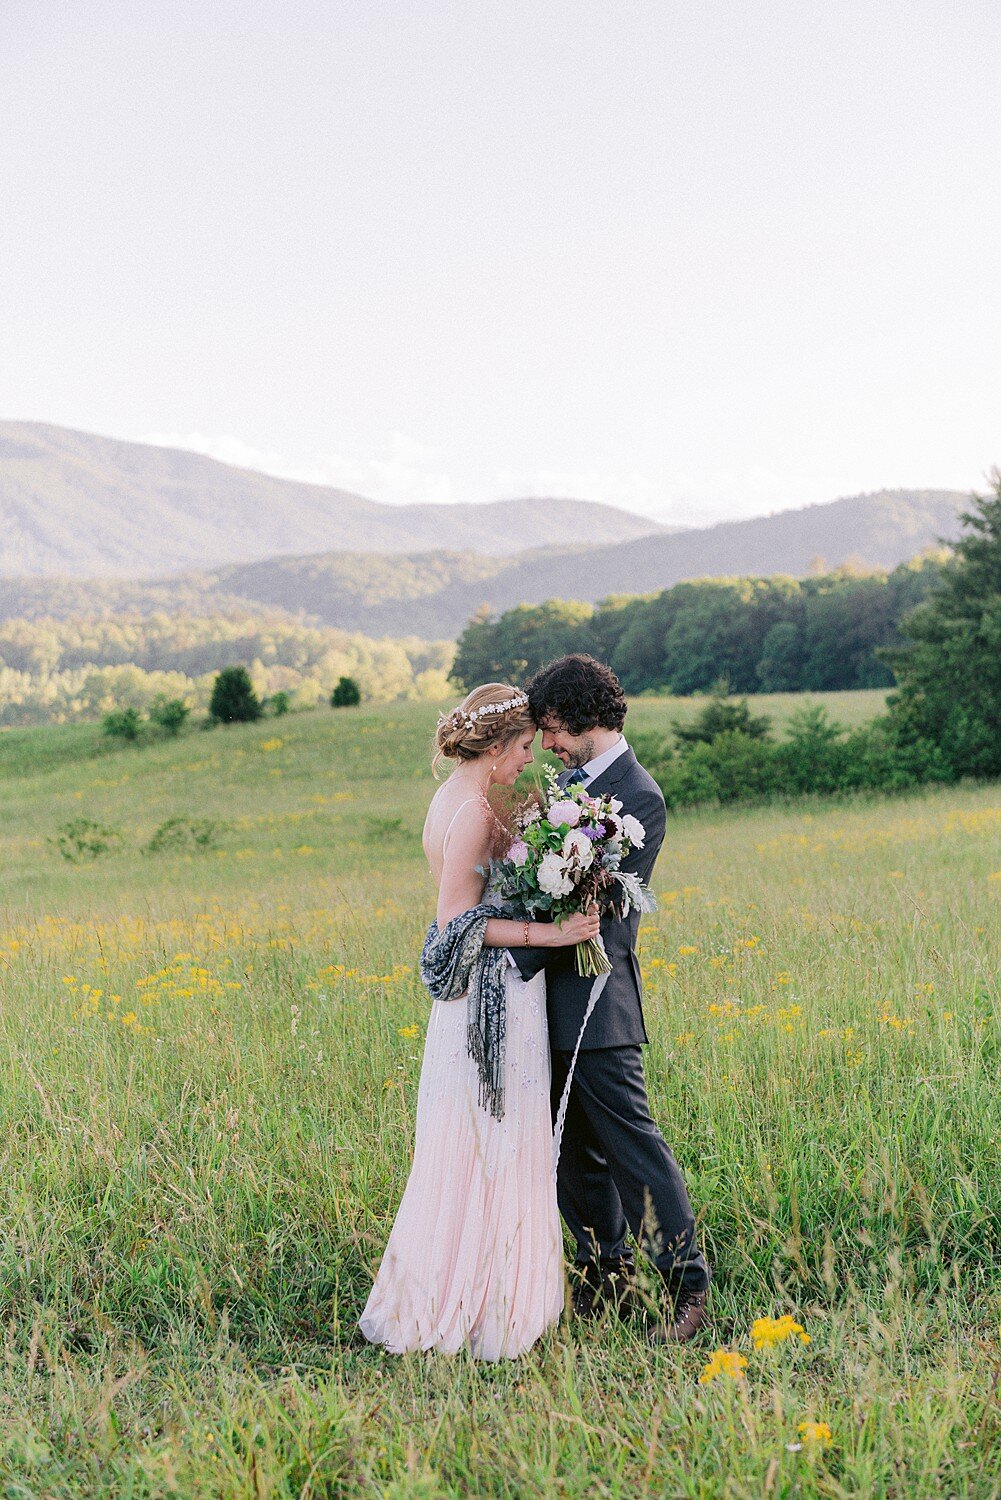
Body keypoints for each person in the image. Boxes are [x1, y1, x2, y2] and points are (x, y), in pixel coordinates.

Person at [358, 683, 600, 1360]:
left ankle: (497, 1293)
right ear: (495, 747)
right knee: (489, 1143)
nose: (529, 759)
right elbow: (454, 924)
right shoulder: (466, 811)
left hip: (502, 994)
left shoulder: (470, 798)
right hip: (489, 1002)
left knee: (492, 1141)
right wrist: (550, 934)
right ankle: (476, 1308)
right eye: (525, 748)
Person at [511, 654, 711, 1343]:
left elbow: (604, 906)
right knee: (572, 1153)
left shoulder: (638, 795)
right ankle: (605, 1278)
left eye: (553, 729)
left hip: (599, 999)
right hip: (549, 997)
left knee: (632, 1148)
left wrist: (532, 902)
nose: (547, 744)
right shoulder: (566, 784)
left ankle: (688, 1286)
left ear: (583, 717)